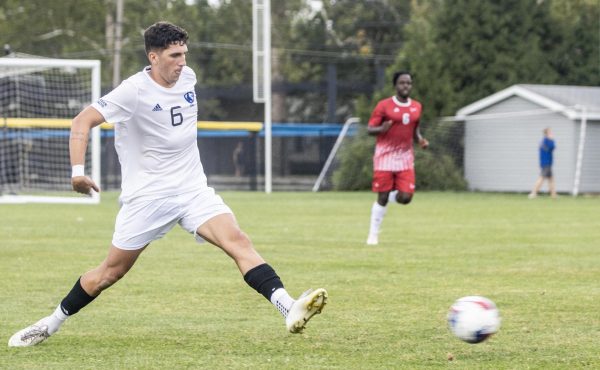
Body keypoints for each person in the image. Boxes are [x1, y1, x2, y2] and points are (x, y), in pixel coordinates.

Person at [8, 22, 327, 347]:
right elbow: (81, 121)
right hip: (148, 198)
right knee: (109, 273)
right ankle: (51, 323)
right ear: (154, 56)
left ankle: (289, 306)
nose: (182, 62)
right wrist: (77, 172)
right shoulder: (132, 91)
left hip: (192, 190)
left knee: (239, 242)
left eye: (184, 54)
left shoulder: (187, 78)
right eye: (174, 55)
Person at [366, 71, 428, 246]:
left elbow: (415, 130)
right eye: (402, 83)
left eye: (408, 83)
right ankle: (373, 235)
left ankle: (391, 195)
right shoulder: (384, 106)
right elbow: (370, 129)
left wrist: (420, 140)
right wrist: (382, 128)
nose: (405, 86)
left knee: (406, 197)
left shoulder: (416, 107)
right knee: (382, 197)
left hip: (405, 157)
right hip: (384, 156)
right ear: (395, 85)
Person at [528, 127, 557, 199]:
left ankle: (553, 195)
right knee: (541, 178)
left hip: (548, 163)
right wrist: (552, 139)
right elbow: (552, 147)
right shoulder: (546, 141)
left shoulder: (544, 141)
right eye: (550, 132)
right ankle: (533, 193)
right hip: (545, 163)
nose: (552, 133)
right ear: (547, 133)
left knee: (551, 179)